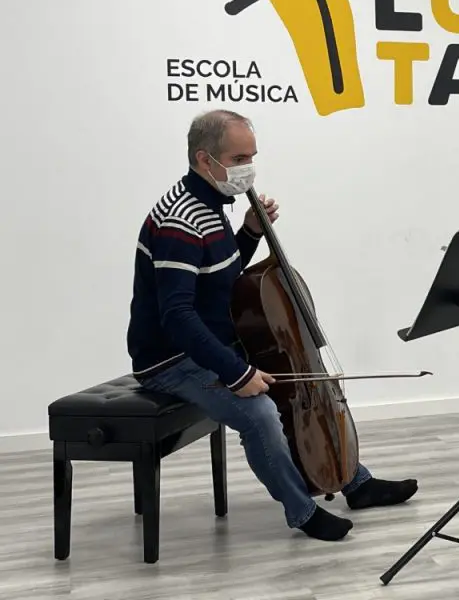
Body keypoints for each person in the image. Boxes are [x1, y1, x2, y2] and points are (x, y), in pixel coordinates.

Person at [126, 109, 418, 542]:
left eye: (252, 157)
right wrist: (236, 372)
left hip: (209, 340)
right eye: (238, 158)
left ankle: (355, 482)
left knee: (301, 383)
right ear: (204, 159)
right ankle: (302, 511)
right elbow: (177, 316)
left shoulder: (211, 203)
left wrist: (248, 233)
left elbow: (222, 279)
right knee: (260, 413)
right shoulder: (180, 222)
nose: (248, 169)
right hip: (171, 358)